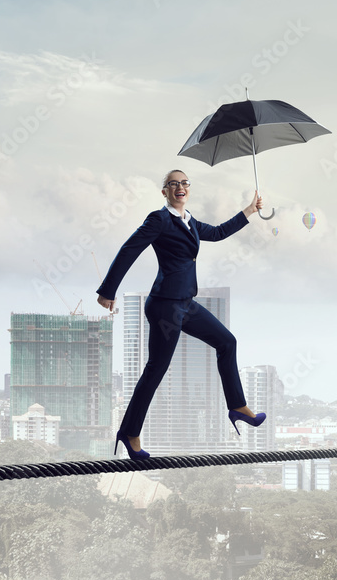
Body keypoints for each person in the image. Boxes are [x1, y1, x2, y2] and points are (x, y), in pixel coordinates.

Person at [96, 169, 267, 459]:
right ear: (164, 191)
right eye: (173, 184)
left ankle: (237, 407)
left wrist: (249, 210)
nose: (180, 187)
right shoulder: (159, 219)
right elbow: (129, 250)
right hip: (165, 306)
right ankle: (129, 432)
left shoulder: (190, 221)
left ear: (189, 188)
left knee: (227, 342)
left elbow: (218, 233)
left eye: (184, 183)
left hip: (185, 303)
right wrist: (108, 290)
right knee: (156, 369)